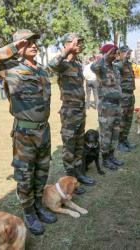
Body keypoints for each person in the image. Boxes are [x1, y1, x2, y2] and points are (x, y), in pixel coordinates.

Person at [0, 29, 56, 235]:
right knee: (25, 175)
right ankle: (29, 212)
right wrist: (12, 49)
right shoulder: (8, 68)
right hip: (24, 133)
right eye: (28, 42)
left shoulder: (41, 70)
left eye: (35, 41)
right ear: (19, 45)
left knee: (41, 171)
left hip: (43, 131)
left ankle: (38, 205)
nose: (34, 45)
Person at [48, 33, 96, 195]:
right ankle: (70, 180)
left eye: (81, 42)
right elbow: (52, 64)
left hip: (80, 110)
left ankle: (79, 174)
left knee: (79, 144)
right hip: (69, 111)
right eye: (77, 42)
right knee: (69, 147)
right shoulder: (62, 64)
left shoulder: (77, 63)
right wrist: (65, 50)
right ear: (68, 43)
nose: (80, 44)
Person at [91, 44, 124, 170]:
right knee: (106, 133)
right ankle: (105, 159)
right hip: (106, 107)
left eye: (115, 53)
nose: (114, 55)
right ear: (106, 54)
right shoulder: (101, 67)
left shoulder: (115, 68)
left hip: (116, 105)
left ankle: (111, 156)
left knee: (115, 132)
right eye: (112, 53)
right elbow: (94, 67)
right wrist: (104, 56)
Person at [115, 46, 137, 152]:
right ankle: (119, 143)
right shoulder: (117, 63)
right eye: (127, 52)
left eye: (130, 52)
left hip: (131, 95)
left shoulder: (129, 64)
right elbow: (116, 69)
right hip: (123, 96)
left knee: (128, 120)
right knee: (121, 120)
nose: (129, 54)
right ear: (121, 53)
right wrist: (122, 59)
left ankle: (125, 140)